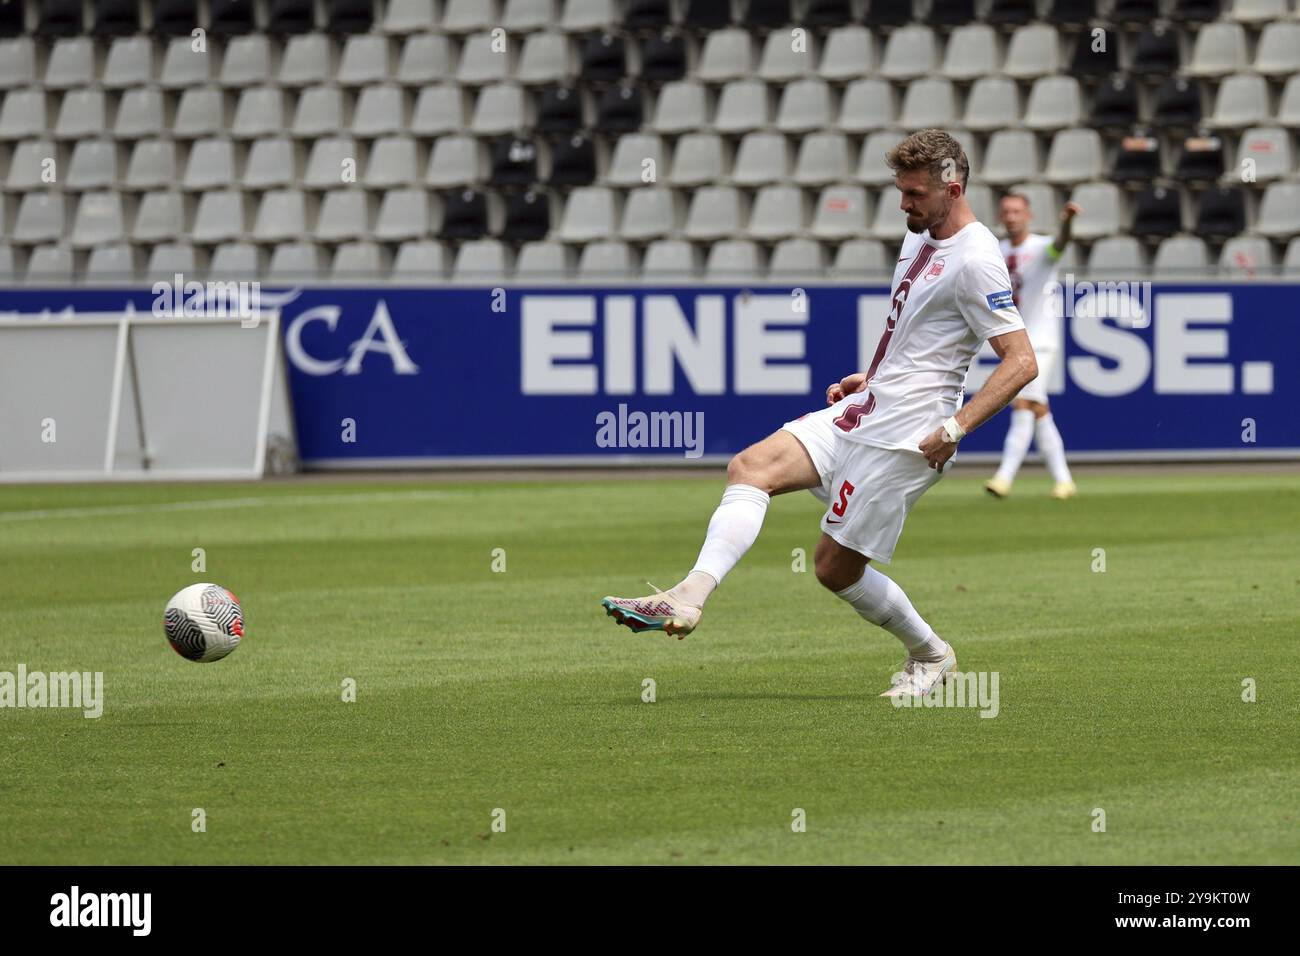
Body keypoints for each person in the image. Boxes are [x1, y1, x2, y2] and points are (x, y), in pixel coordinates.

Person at [600, 129, 1038, 698]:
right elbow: (919, 333)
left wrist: (956, 428)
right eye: (900, 191)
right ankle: (688, 595)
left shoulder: (977, 259)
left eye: (914, 194)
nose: (903, 203)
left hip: (908, 436)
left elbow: (1021, 361)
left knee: (833, 569)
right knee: (750, 467)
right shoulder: (921, 236)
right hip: (869, 405)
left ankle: (930, 654)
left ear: (952, 188)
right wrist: (873, 374)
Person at [985, 193, 1081, 500]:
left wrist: (1067, 224)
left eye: (1017, 211)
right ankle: (1064, 480)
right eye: (1006, 211)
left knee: (1023, 403)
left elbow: (1061, 244)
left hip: (1041, 340)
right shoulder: (995, 251)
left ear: (1029, 215)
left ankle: (1004, 477)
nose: (1011, 216)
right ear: (1001, 217)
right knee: (1038, 408)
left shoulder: (1041, 248)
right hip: (1014, 342)